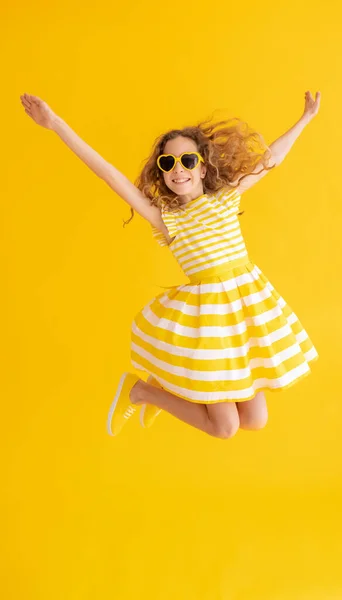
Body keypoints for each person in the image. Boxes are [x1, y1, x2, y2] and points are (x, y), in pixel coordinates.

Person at [20, 90, 321, 440]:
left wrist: (305, 119)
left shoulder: (227, 197)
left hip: (244, 314)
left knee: (255, 420)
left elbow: (271, 158)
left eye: (187, 161)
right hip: (210, 322)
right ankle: (143, 392)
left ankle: (154, 392)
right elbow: (110, 176)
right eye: (168, 163)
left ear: (202, 166)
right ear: (161, 172)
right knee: (225, 428)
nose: (178, 169)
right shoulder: (166, 218)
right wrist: (55, 124)